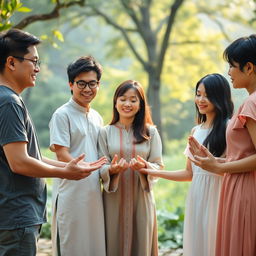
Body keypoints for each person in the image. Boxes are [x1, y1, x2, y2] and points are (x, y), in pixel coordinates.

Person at [0, 29, 106, 256]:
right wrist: (66, 173)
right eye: (33, 61)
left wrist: (69, 168)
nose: (37, 68)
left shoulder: (9, 100)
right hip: (16, 216)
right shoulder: (8, 103)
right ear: (11, 62)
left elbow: (31, 157)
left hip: (15, 215)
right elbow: (19, 163)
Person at [138, 74, 234, 256]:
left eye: (207, 95)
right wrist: (152, 171)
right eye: (198, 94)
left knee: (215, 244)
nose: (200, 100)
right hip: (197, 195)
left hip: (220, 194)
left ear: (220, 96)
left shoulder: (230, 128)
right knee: (197, 243)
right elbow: (189, 173)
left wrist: (216, 165)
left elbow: (235, 168)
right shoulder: (196, 131)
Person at [189, 35, 256, 256]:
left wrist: (220, 167)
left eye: (232, 66)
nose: (229, 72)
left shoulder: (251, 103)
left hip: (245, 188)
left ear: (249, 68)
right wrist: (215, 161)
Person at [97, 80, 164, 256]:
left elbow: (158, 165)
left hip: (141, 198)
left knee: (141, 243)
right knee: (113, 243)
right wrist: (111, 170)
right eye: (123, 99)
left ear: (140, 104)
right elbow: (100, 165)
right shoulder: (105, 132)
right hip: (113, 201)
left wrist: (145, 167)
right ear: (115, 102)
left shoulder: (151, 132)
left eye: (133, 100)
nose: (127, 104)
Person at [49, 56, 106, 256]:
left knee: (93, 245)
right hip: (71, 192)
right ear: (71, 84)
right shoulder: (62, 114)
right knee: (71, 245)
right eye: (81, 83)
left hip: (93, 192)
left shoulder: (97, 116)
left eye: (92, 83)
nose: (87, 89)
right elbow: (61, 152)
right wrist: (82, 168)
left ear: (98, 85)